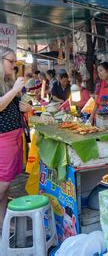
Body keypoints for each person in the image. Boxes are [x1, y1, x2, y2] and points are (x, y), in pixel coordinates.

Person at [0, 46, 32, 230]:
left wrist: (24, 107)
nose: (13, 66)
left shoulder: (6, 81)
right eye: (10, 61)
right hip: (3, 139)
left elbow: (13, 105)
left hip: (14, 137)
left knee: (6, 188)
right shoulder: (8, 85)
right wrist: (14, 90)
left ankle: (3, 223)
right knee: (3, 186)